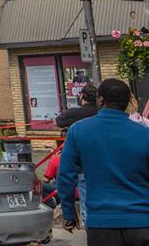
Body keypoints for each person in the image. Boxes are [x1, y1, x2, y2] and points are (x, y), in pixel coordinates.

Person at [58, 79, 149, 244]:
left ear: (100, 100)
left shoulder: (78, 131)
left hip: (101, 222)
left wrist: (69, 213)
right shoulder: (145, 134)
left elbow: (65, 176)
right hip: (142, 221)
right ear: (128, 101)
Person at [55, 84, 98, 225]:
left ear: (82, 96)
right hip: (104, 167)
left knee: (87, 206)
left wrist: (69, 213)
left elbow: (59, 121)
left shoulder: (75, 115)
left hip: (83, 167)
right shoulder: (101, 113)